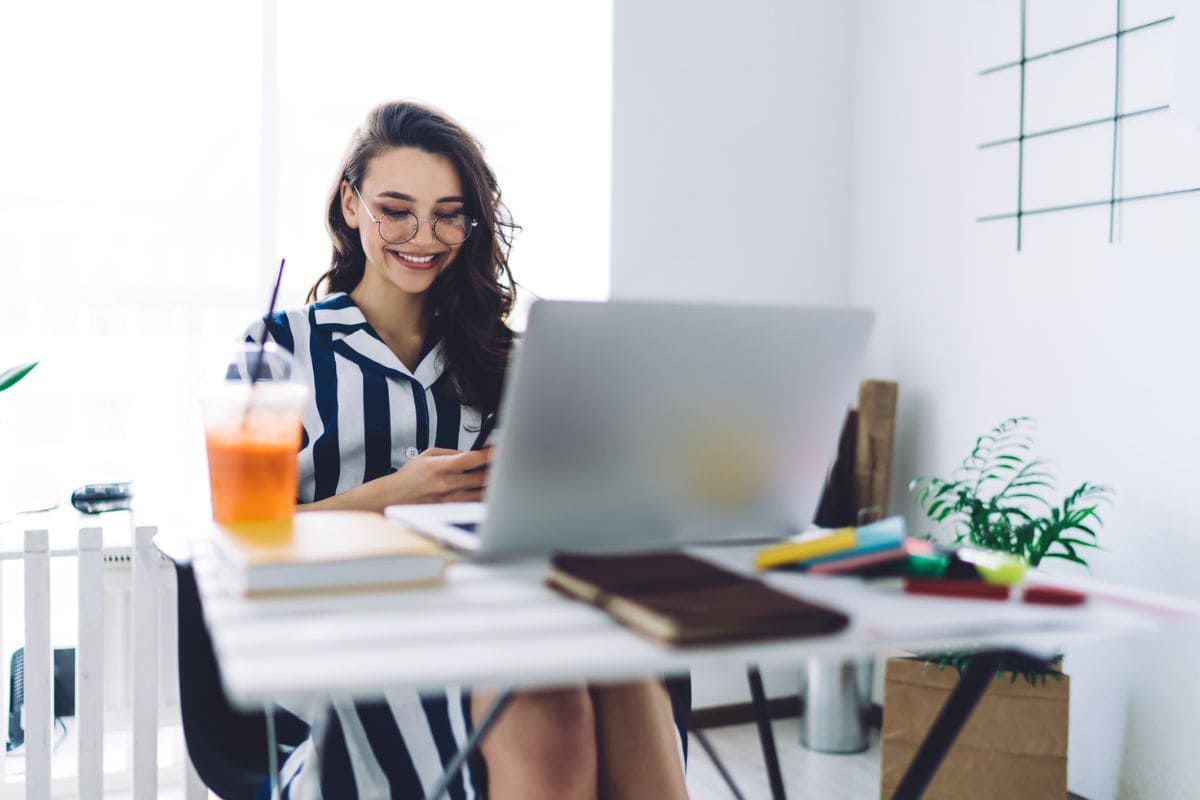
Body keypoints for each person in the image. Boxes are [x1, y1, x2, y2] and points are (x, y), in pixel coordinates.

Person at [246, 100, 690, 800]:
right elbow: (244, 537)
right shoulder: (279, 348)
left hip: (492, 608)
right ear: (351, 205)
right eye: (396, 209)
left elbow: (538, 515)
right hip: (346, 628)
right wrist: (392, 499)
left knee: (621, 661)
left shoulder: (504, 353)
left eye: (449, 213)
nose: (424, 236)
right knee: (550, 708)